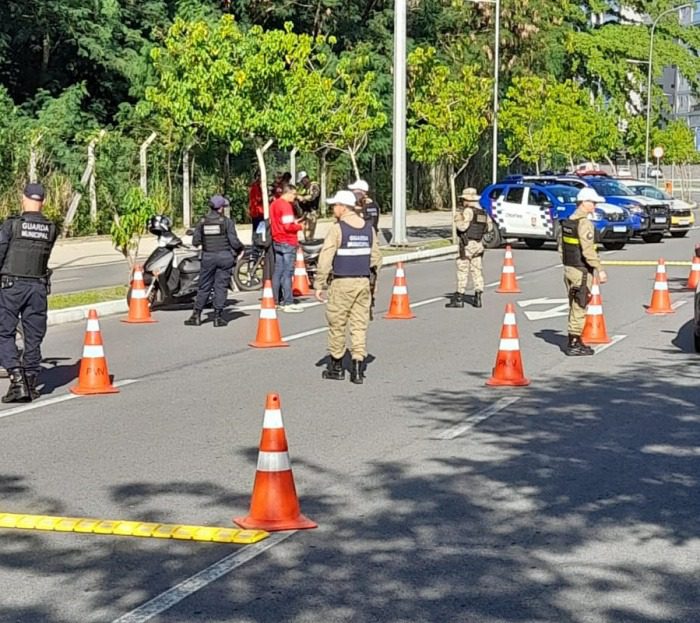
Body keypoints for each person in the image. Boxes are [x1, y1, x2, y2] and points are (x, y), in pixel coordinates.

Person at [315, 190, 381, 384]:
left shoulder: (338, 229)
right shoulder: (369, 228)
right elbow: (376, 258)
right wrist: (373, 283)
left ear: (343, 207)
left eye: (335, 205)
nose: (333, 208)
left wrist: (319, 283)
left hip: (342, 282)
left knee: (337, 324)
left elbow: (326, 257)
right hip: (363, 282)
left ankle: (336, 367)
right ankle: (358, 368)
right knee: (359, 325)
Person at [0, 183, 58, 403]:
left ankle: (17, 380)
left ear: (23, 198)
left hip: (12, 286)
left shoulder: (12, 225)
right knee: (33, 337)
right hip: (38, 288)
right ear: (42, 202)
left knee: (3, 333)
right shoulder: (51, 228)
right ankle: (31, 382)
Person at [559, 187, 608, 356]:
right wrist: (599, 269)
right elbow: (588, 251)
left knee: (573, 304)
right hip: (581, 270)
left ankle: (576, 338)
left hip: (569, 268)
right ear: (584, 203)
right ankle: (573, 343)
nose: (594, 206)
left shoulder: (567, 222)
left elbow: (561, 248)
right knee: (580, 305)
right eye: (593, 202)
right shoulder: (585, 224)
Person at [184, 195, 243, 328]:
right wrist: (241, 249)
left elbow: (195, 242)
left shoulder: (202, 221)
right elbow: (234, 242)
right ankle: (218, 317)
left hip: (208, 257)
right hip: (224, 257)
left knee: (204, 286)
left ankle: (196, 315)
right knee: (220, 286)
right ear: (221, 208)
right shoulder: (227, 222)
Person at [446, 187, 492, 309]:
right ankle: (478, 297)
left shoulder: (468, 211)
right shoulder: (483, 212)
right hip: (478, 244)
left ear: (467, 200)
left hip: (467, 245)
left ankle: (459, 297)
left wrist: (457, 219)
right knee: (477, 271)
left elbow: (462, 227)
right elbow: (489, 228)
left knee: (463, 270)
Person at [270, 184, 304, 312]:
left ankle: (275, 300)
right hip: (287, 241)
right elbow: (288, 226)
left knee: (278, 271)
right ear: (288, 193)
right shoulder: (286, 206)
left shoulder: (274, 204)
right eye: (294, 194)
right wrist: (300, 227)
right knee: (287, 272)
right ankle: (288, 301)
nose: (294, 197)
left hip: (277, 240)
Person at [296, 171, 321, 240]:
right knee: (305, 227)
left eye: (302, 181)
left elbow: (314, 196)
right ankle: (307, 239)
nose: (301, 183)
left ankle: (310, 241)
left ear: (305, 178)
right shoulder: (304, 188)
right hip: (305, 211)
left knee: (310, 228)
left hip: (312, 211)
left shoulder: (314, 185)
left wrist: (303, 198)